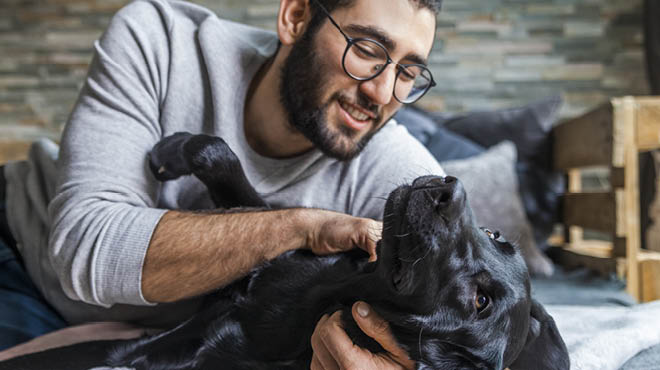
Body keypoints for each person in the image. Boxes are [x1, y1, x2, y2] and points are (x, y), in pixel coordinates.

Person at [0, 0, 443, 367]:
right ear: (296, 17)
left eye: (406, 73)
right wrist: (303, 228)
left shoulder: (395, 168)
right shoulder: (161, 42)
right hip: (22, 262)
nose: (383, 94)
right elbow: (87, 249)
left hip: (156, 336)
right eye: (366, 48)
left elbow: (478, 302)